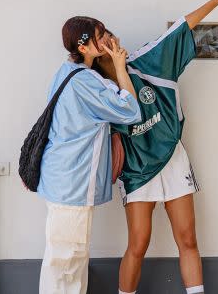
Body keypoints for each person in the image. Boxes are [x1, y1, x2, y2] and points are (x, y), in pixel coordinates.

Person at [94, 0, 218, 294]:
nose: (114, 39)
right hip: (138, 171)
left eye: (110, 34)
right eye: (105, 39)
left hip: (172, 159)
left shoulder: (147, 61)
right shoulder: (95, 90)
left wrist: (215, 0)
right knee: (137, 244)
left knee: (187, 238)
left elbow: (180, 28)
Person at [38, 17, 143, 294]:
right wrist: (120, 67)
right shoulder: (84, 81)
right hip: (72, 182)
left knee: (68, 260)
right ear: (84, 46)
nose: (106, 38)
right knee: (67, 262)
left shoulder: (69, 71)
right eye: (100, 35)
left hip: (65, 180)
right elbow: (131, 110)